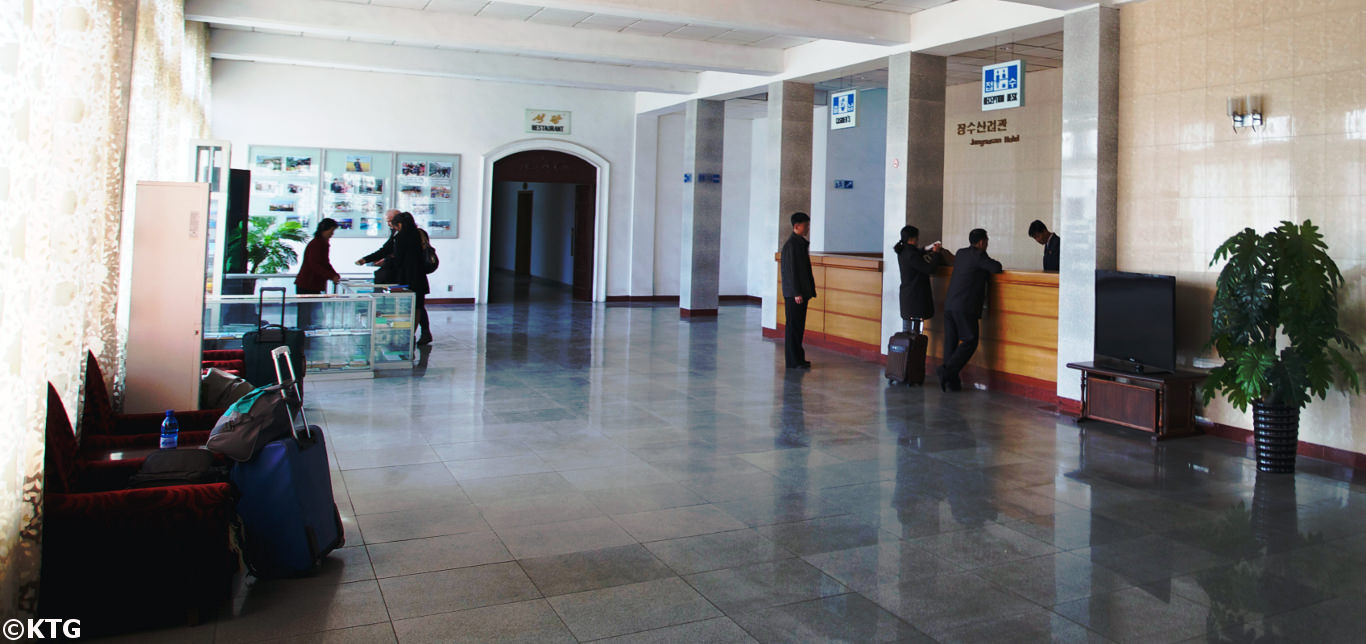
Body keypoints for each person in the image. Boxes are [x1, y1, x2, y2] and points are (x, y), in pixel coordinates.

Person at [938, 228, 1002, 391]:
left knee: (950, 343)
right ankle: (946, 371)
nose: (987, 244)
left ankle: (951, 381)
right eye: (986, 241)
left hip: (950, 304)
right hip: (965, 306)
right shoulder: (979, 255)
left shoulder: (960, 253)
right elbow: (996, 267)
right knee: (970, 340)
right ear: (981, 242)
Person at [388, 211, 432, 345]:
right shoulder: (420, 233)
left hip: (406, 278)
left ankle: (407, 336)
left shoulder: (400, 237)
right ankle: (412, 334)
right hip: (420, 277)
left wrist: (388, 260)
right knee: (418, 307)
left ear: (399, 224)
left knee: (406, 308)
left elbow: (398, 260)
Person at [780, 212, 816, 369]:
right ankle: (793, 360)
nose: (808, 228)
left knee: (798, 327)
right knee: (793, 327)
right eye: (805, 225)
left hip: (800, 292)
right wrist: (796, 293)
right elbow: (791, 271)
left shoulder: (799, 243)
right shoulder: (791, 245)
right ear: (796, 226)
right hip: (795, 294)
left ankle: (798, 358)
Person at [294, 218, 342, 329]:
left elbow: (325, 263)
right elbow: (315, 265)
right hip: (307, 284)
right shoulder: (317, 244)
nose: (332, 234)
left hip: (312, 284)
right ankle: (303, 337)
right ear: (324, 229)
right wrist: (331, 275)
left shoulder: (322, 243)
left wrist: (334, 274)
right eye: (331, 230)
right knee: (306, 315)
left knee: (311, 314)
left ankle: (308, 336)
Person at [893, 225, 941, 335]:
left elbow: (916, 251)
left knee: (907, 333)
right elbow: (929, 269)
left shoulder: (903, 250)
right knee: (914, 335)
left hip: (908, 297)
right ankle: (913, 352)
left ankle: (907, 352)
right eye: (917, 237)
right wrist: (936, 254)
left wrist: (926, 248)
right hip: (915, 297)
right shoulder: (911, 255)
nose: (918, 240)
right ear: (912, 238)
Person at [356, 209, 400, 283]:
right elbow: (385, 250)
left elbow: (401, 254)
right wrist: (366, 259)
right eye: (387, 221)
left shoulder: (407, 235)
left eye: (390, 221)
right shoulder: (395, 232)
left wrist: (387, 259)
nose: (389, 224)